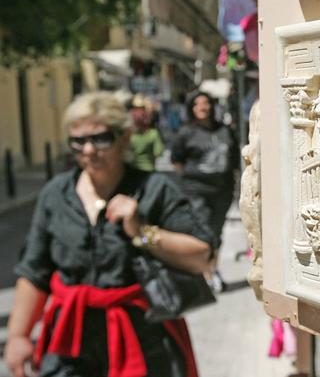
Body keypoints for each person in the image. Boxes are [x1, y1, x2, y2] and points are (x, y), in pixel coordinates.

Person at [4, 92, 215, 377]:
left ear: (124, 138)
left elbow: (202, 255)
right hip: (71, 340)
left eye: (100, 139)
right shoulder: (55, 194)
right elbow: (35, 271)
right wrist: (18, 335)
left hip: (141, 339)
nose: (88, 150)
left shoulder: (154, 189)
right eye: (77, 141)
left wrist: (141, 232)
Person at [171, 91, 238, 291]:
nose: (203, 107)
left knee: (216, 232)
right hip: (197, 190)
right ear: (191, 108)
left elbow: (234, 158)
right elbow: (177, 162)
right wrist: (193, 178)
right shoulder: (186, 133)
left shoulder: (225, 130)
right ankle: (206, 272)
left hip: (223, 190)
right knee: (203, 230)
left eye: (206, 102)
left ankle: (212, 269)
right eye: (197, 104)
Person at [128, 94, 165, 172]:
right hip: (149, 170)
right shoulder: (153, 134)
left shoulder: (127, 135)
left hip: (131, 172)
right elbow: (158, 152)